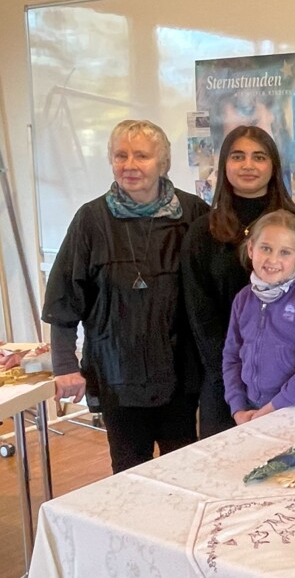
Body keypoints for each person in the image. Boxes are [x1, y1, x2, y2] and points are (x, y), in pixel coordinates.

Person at [43, 120, 209, 473]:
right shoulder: (91, 220)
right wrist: (65, 366)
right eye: (121, 155)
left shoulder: (194, 214)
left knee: (186, 470)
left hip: (181, 373)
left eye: (142, 156)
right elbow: (64, 297)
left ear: (162, 163)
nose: (129, 165)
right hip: (116, 372)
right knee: (129, 471)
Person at [181, 126, 295, 437]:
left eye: (259, 157)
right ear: (225, 164)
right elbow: (199, 311)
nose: (248, 165)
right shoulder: (203, 231)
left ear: (273, 166)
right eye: (238, 156)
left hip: (288, 382)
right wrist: (233, 381)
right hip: (226, 383)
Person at [222, 210, 295, 423]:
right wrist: (237, 408)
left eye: (285, 252)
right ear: (251, 249)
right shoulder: (243, 298)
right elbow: (232, 357)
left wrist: (274, 407)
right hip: (252, 409)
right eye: (265, 248)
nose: (273, 259)